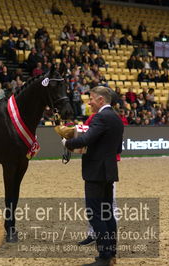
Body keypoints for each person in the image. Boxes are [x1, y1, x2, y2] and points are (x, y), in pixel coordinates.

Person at [62, 86, 124, 266]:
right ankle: (111, 254)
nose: (89, 102)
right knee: (107, 214)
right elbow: (118, 149)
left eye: (92, 99)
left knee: (95, 214)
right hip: (109, 171)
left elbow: (85, 139)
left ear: (101, 100)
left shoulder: (101, 117)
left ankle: (104, 257)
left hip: (96, 172)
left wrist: (66, 142)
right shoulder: (117, 119)